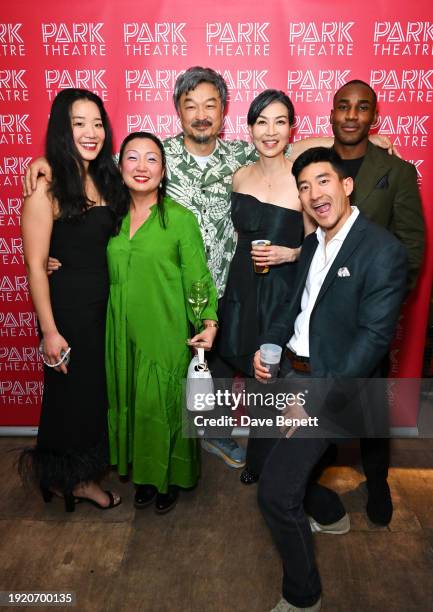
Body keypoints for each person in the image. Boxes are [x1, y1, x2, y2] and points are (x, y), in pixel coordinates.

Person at [23, 67, 395, 470]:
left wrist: (363, 140)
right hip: (162, 290)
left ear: (223, 112)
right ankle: (151, 451)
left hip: (220, 287)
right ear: (177, 111)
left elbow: (291, 143)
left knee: (218, 369)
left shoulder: (239, 155)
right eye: (191, 105)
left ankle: (216, 438)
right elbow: (88, 157)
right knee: (157, 377)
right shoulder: (152, 154)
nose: (201, 114)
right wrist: (46, 159)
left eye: (210, 105)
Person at [254, 146, 408, 612]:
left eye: (323, 181)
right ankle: (330, 512)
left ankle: (304, 597)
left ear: (346, 185)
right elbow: (293, 310)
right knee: (263, 464)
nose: (313, 194)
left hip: (330, 388)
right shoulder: (311, 245)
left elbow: (372, 341)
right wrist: (270, 349)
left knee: (276, 495)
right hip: (289, 373)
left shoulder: (383, 251)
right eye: (303, 187)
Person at [19, 88, 124, 511]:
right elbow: (35, 267)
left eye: (97, 123)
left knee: (96, 395)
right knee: (73, 398)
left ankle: (76, 476)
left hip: (107, 307)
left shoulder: (107, 178)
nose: (91, 131)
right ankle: (76, 481)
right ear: (62, 129)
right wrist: (49, 332)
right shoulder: (45, 190)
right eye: (79, 123)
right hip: (70, 312)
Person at [328, 79, 425, 525]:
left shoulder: (397, 171)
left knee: (368, 402)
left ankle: (378, 480)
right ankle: (307, 478)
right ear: (331, 114)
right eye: (343, 107)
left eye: (361, 108)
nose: (351, 115)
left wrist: (383, 308)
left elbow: (411, 246)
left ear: (374, 117)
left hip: (369, 315)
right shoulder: (314, 166)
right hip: (319, 313)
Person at [105, 131, 218, 514]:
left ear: (164, 169)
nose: (141, 167)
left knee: (164, 404)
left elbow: (197, 277)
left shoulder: (180, 220)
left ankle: (170, 477)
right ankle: (146, 475)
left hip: (164, 329)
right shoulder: (111, 218)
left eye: (151, 159)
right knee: (134, 402)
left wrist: (208, 321)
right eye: (132, 158)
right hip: (120, 332)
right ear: (120, 169)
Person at [217, 89, 315, 483]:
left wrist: (288, 255)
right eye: (261, 122)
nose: (270, 131)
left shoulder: (302, 180)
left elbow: (315, 245)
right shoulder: (239, 174)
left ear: (292, 128)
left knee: (268, 377)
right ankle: (219, 438)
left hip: (280, 292)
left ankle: (262, 459)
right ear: (250, 128)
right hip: (239, 288)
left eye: (280, 122)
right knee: (227, 363)